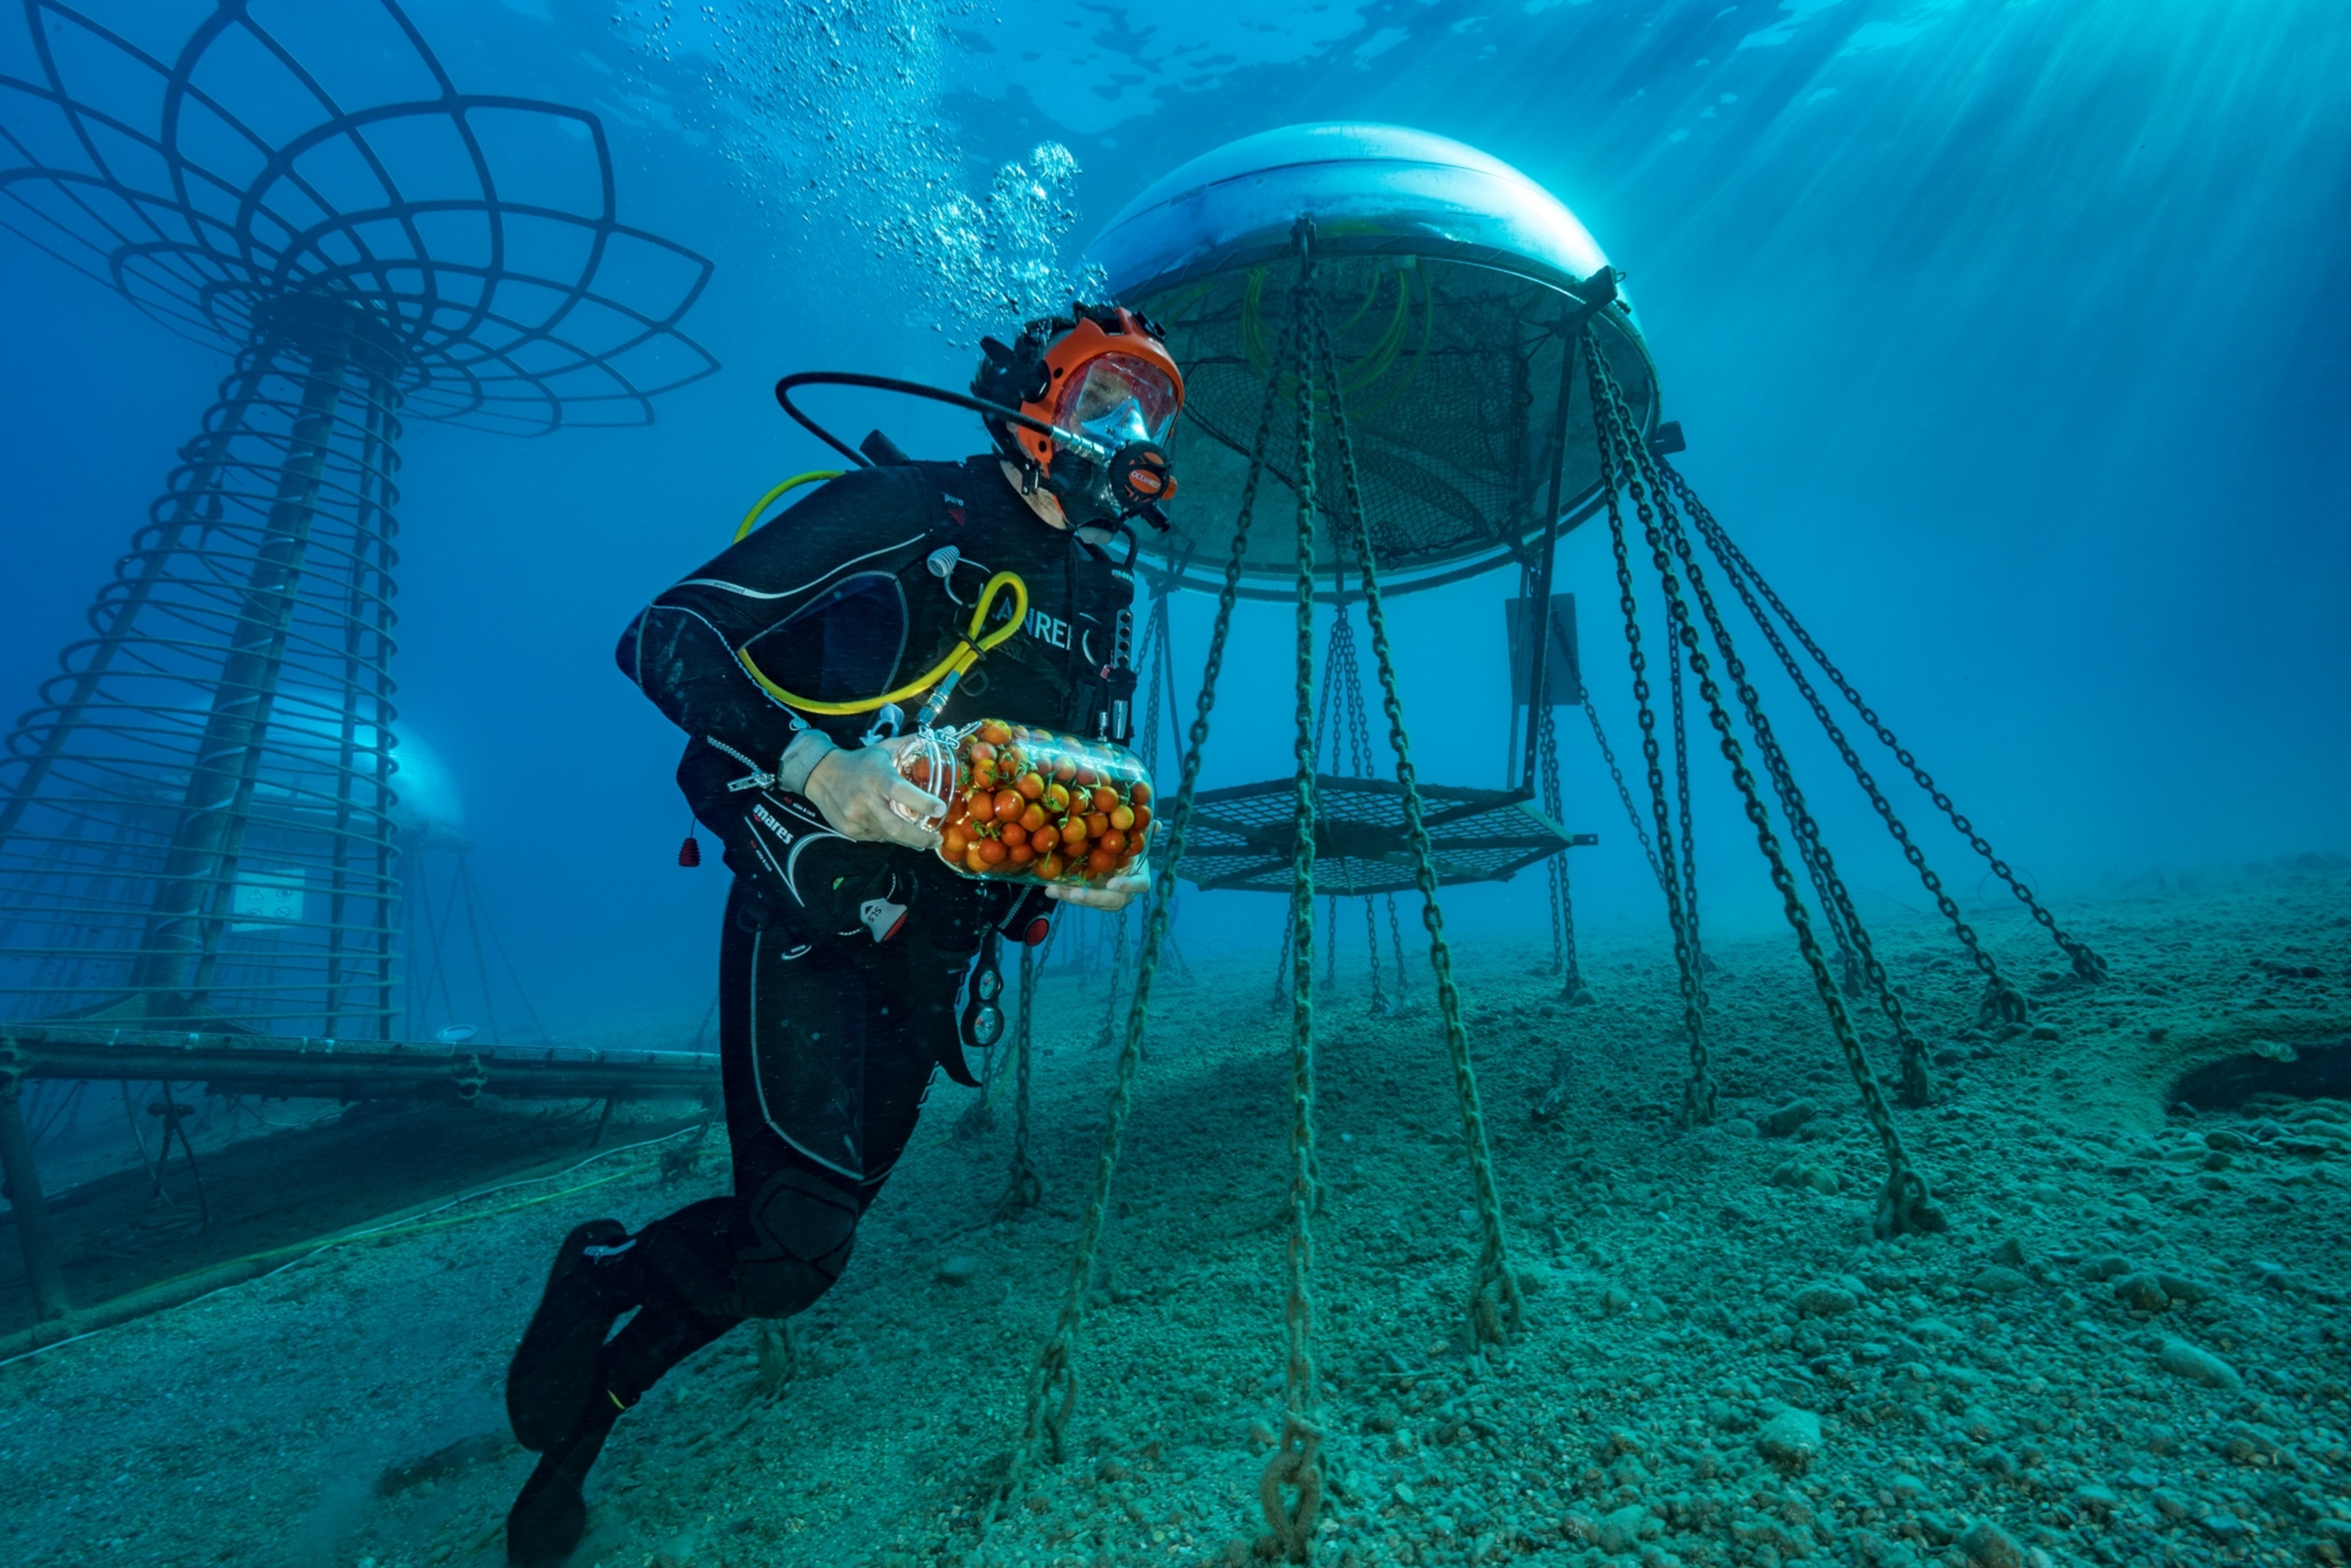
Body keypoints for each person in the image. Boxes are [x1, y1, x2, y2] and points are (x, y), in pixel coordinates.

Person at [499, 304, 1186, 1564]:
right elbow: (665, 635)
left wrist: (1075, 857)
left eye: (1152, 409)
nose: (1132, 435)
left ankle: (594, 1376)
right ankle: (595, 1304)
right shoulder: (920, 510)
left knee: (799, 1249)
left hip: (938, 946)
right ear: (1033, 404)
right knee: (798, 1238)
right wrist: (822, 768)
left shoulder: (1099, 591)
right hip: (809, 907)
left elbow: (1047, 773)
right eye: (1104, 400)